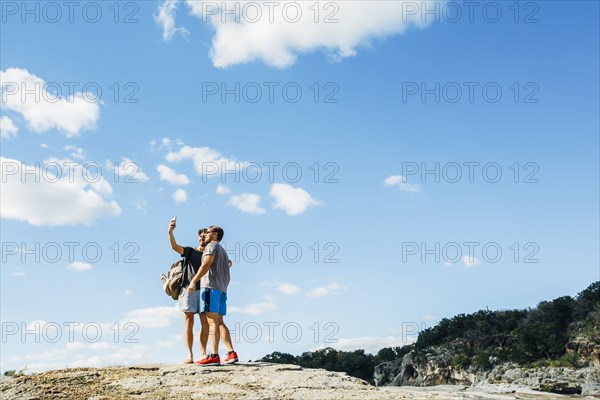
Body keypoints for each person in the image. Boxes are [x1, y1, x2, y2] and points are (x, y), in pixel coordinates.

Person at [189, 226, 238, 366]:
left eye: (208, 233)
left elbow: (206, 264)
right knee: (220, 322)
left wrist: (194, 281)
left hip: (211, 288)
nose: (205, 235)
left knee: (212, 322)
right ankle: (231, 353)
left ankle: (214, 356)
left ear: (215, 235)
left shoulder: (211, 246)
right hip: (222, 290)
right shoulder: (223, 251)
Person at [168, 220, 209, 364]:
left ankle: (203, 353)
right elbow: (174, 247)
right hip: (187, 289)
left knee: (205, 321)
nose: (202, 238)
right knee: (189, 321)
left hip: (205, 290)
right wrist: (170, 232)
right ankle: (189, 355)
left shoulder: (210, 255)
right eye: (201, 236)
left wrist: (227, 261)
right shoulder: (190, 251)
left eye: (205, 235)